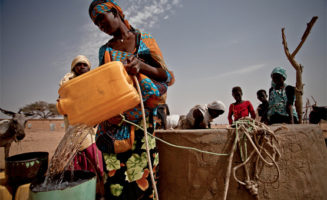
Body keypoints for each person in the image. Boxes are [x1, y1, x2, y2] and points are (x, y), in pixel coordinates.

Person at [88, 0, 174, 199]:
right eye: (96, 24)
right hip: (116, 125)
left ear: (115, 12)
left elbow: (167, 76)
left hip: (144, 124)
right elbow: (105, 86)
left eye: (102, 18)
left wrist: (141, 66)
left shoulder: (144, 39)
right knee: (115, 183)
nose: (101, 25)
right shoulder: (106, 50)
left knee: (144, 181)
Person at [59, 55, 104, 181]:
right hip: (74, 129)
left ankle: (100, 191)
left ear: (89, 68)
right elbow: (65, 104)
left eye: (85, 65)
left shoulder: (93, 82)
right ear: (74, 67)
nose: (82, 67)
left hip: (91, 128)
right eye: (79, 64)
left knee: (96, 162)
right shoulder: (67, 83)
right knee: (76, 167)